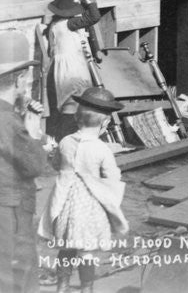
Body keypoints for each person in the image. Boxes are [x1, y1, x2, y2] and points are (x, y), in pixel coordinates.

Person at [39, 86, 129, 293]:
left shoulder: (65, 142)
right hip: (89, 208)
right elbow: (113, 176)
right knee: (86, 251)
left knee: (66, 246)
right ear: (105, 123)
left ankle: (62, 286)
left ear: (77, 119)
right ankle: (87, 288)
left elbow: (56, 166)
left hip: (65, 204)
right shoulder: (102, 149)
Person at [0, 30, 48, 293]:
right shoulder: (9, 121)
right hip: (11, 211)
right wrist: (33, 133)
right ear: (19, 79)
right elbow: (34, 166)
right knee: (17, 276)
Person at [41, 0, 102, 141]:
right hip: (73, 68)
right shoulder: (69, 24)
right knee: (75, 103)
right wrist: (88, 1)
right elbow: (94, 17)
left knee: (67, 103)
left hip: (59, 68)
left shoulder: (54, 26)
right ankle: (70, 139)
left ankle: (62, 139)